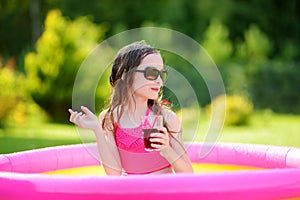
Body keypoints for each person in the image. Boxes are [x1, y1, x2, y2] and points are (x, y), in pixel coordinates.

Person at [68, 41, 193, 176]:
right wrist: (97, 129)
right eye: (151, 72)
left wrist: (167, 149)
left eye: (161, 74)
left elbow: (188, 174)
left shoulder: (167, 119)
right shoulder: (110, 118)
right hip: (131, 192)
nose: (160, 82)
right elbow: (113, 174)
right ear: (125, 74)